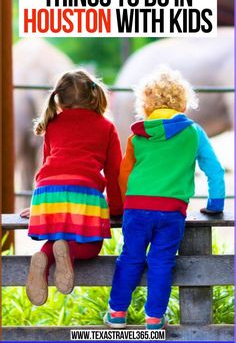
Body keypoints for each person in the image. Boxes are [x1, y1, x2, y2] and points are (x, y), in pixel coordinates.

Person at [104, 67, 225, 330]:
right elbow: (214, 169)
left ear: (146, 104)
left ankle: (116, 314)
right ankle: (154, 319)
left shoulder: (138, 135)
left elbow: (123, 175)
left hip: (136, 209)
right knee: (161, 262)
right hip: (171, 211)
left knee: (130, 258)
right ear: (183, 101)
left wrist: (126, 205)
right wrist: (215, 205)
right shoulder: (193, 132)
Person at [20, 70, 123, 306]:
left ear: (59, 99)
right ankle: (68, 251)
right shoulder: (106, 127)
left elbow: (48, 166)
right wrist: (116, 208)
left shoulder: (53, 125)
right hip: (83, 191)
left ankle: (44, 257)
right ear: (94, 96)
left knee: (57, 238)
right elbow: (114, 173)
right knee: (90, 246)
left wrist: (37, 208)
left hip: (47, 194)